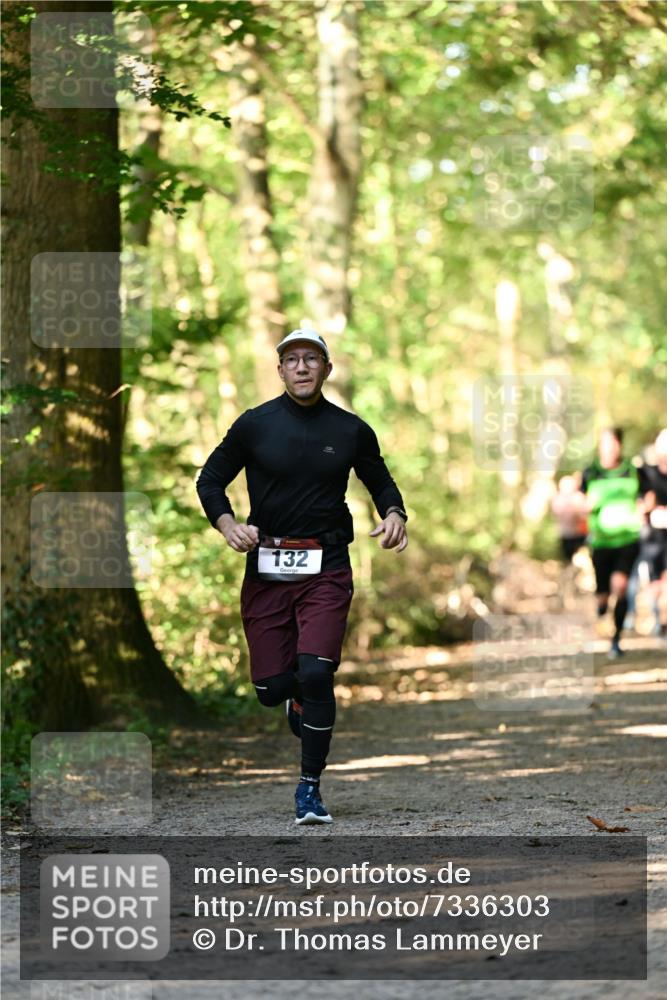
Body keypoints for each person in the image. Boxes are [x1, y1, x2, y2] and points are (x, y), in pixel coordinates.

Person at [195, 329, 408, 824]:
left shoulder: (351, 429)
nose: (302, 367)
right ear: (280, 370)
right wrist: (228, 524)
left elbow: (379, 479)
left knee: (317, 672)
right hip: (267, 566)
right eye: (292, 360)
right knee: (272, 687)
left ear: (327, 369)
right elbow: (209, 480)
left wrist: (395, 512)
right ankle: (295, 698)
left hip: (327, 565)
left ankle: (309, 789)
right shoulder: (253, 425)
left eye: (312, 359)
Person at [580, 427, 642, 658]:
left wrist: (646, 507)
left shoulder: (633, 471)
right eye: (604, 443)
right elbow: (578, 500)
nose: (608, 447)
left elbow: (647, 495)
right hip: (601, 542)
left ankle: (616, 640)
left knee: (621, 587)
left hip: (628, 539)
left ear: (619, 445)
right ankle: (601, 609)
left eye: (612, 443)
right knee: (603, 595)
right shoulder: (590, 472)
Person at [638, 429, 667, 638]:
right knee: (655, 583)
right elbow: (641, 503)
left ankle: (664, 623)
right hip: (653, 537)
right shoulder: (647, 473)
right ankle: (659, 620)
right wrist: (648, 510)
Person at [551, 473, 588, 563]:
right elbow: (557, 513)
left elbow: (585, 513)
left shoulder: (579, 497)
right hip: (566, 534)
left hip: (580, 534)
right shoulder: (558, 499)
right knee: (568, 558)